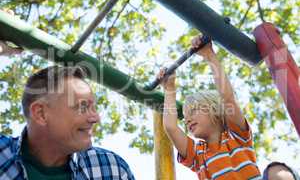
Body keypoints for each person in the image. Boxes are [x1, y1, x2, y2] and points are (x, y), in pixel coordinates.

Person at [0, 41, 135, 179]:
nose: (96, 118)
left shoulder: (113, 170)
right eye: (83, 107)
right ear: (41, 114)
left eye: (93, 107)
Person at [157, 35, 261, 179]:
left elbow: (227, 98)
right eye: (185, 119)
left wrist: (209, 55)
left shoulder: (237, 137)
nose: (187, 121)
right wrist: (169, 89)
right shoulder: (198, 155)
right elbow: (171, 127)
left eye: (193, 111)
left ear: (215, 109)